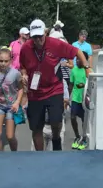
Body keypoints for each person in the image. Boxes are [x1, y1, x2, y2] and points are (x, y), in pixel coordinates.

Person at [19, 19, 90, 151]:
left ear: (45, 32)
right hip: (35, 92)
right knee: (36, 127)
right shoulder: (26, 48)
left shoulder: (55, 44)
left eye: (40, 36)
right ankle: (40, 156)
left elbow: (77, 52)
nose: (37, 39)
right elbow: (22, 66)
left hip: (54, 89)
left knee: (56, 122)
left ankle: (56, 139)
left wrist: (86, 66)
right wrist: (24, 75)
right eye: (34, 36)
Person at [70, 52, 90, 150]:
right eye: (76, 59)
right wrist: (66, 100)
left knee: (84, 120)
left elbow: (91, 85)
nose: (77, 60)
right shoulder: (73, 70)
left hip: (84, 100)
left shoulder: (88, 71)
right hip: (75, 98)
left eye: (79, 59)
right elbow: (71, 85)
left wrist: (83, 85)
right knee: (73, 117)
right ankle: (77, 136)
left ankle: (84, 138)